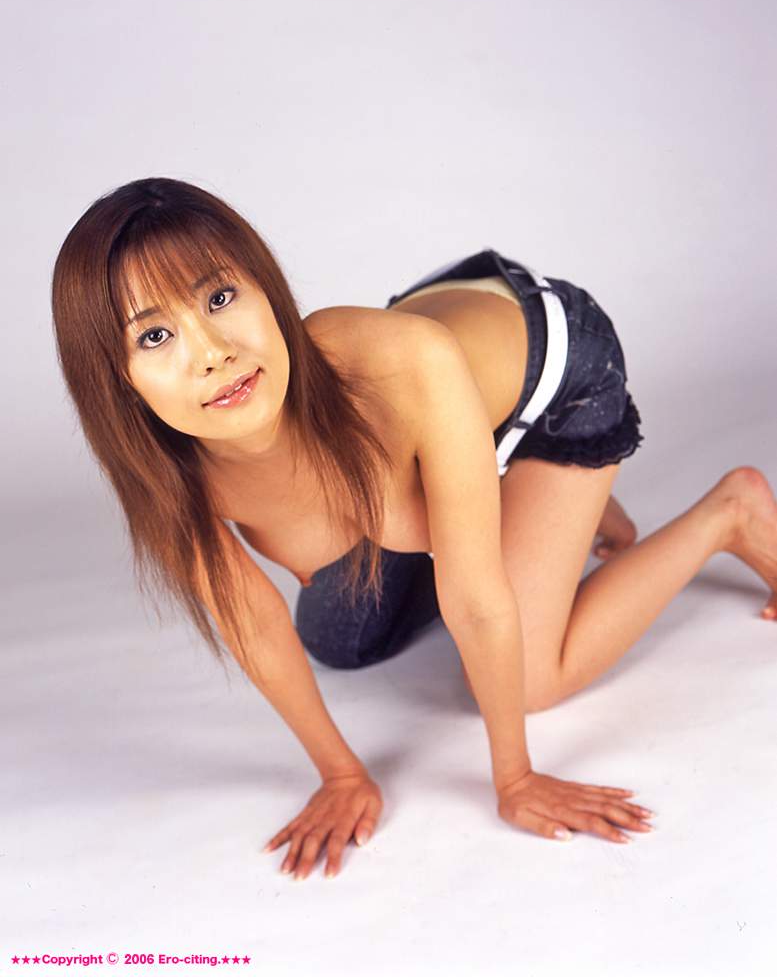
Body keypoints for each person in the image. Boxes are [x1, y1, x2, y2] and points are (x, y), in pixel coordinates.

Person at [51, 177, 777, 882]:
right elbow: (256, 629)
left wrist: (515, 779)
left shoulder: (396, 367)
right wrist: (341, 774)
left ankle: (727, 514)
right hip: (440, 382)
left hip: (548, 367)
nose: (212, 350)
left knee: (530, 680)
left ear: (264, 288)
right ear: (117, 381)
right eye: (155, 335)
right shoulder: (167, 476)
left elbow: (476, 598)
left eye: (219, 297)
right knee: (341, 640)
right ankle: (532, 498)